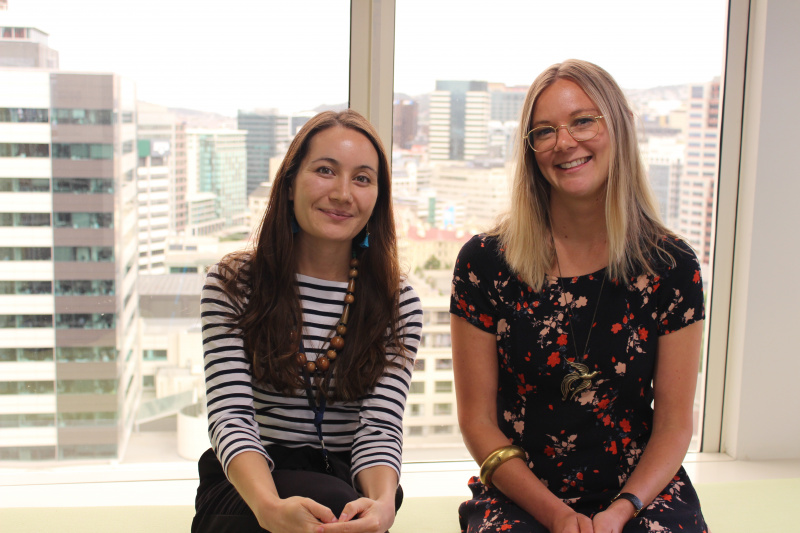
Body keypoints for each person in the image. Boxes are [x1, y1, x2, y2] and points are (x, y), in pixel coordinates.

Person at [450, 60, 708, 533]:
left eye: (583, 120)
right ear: (531, 151)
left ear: (620, 126)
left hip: (640, 489)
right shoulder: (484, 263)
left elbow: (674, 424)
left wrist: (621, 510)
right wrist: (559, 517)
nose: (564, 142)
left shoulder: (671, 266)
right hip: (521, 489)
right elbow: (478, 421)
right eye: (544, 131)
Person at [192, 109, 422, 533]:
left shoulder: (396, 302)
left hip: (346, 479)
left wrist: (384, 506)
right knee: (330, 505)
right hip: (249, 483)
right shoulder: (234, 285)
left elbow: (380, 429)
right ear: (289, 184)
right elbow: (231, 417)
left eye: (362, 178)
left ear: (378, 198)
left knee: (343, 507)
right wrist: (270, 508)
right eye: (325, 171)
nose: (342, 193)